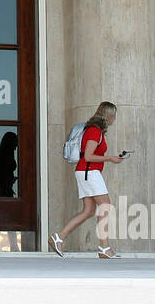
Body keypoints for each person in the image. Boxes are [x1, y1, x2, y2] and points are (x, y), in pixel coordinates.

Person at [48, 101, 123, 259]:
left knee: (88, 210)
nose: (114, 118)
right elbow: (88, 156)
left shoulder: (94, 130)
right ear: (108, 115)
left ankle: (58, 237)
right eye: (114, 115)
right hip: (90, 171)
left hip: (86, 171)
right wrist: (109, 158)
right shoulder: (95, 131)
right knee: (105, 206)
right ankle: (104, 247)